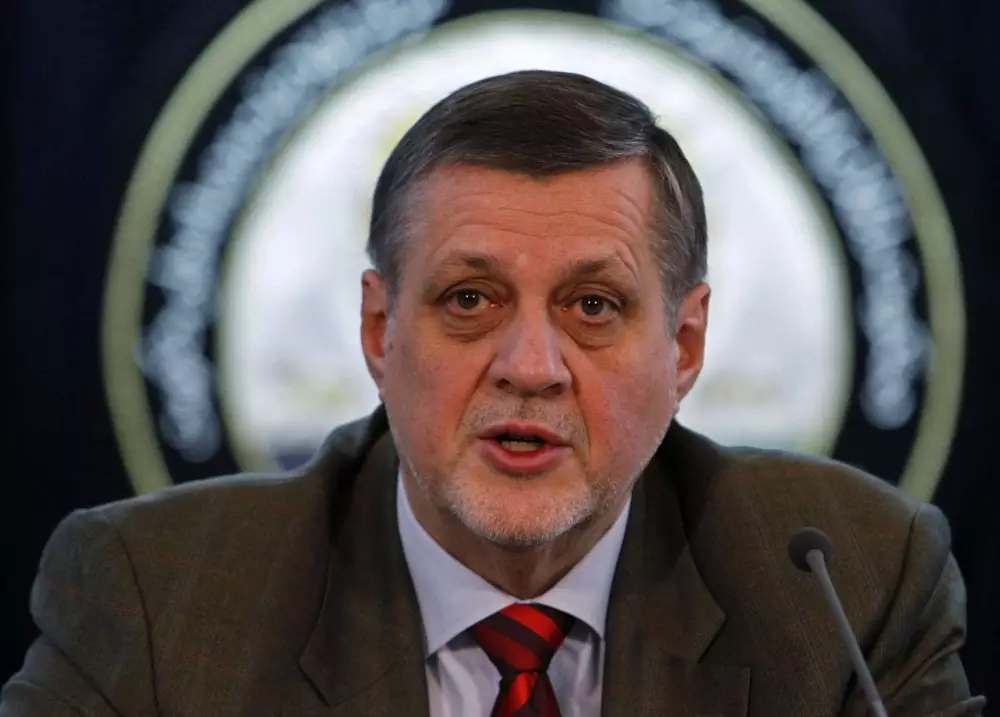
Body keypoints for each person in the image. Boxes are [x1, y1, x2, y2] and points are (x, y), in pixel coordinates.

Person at [0, 70, 984, 717]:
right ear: (380, 331)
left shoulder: (847, 587)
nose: (530, 365)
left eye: (593, 306)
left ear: (684, 346)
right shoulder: (158, 600)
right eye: (470, 299)